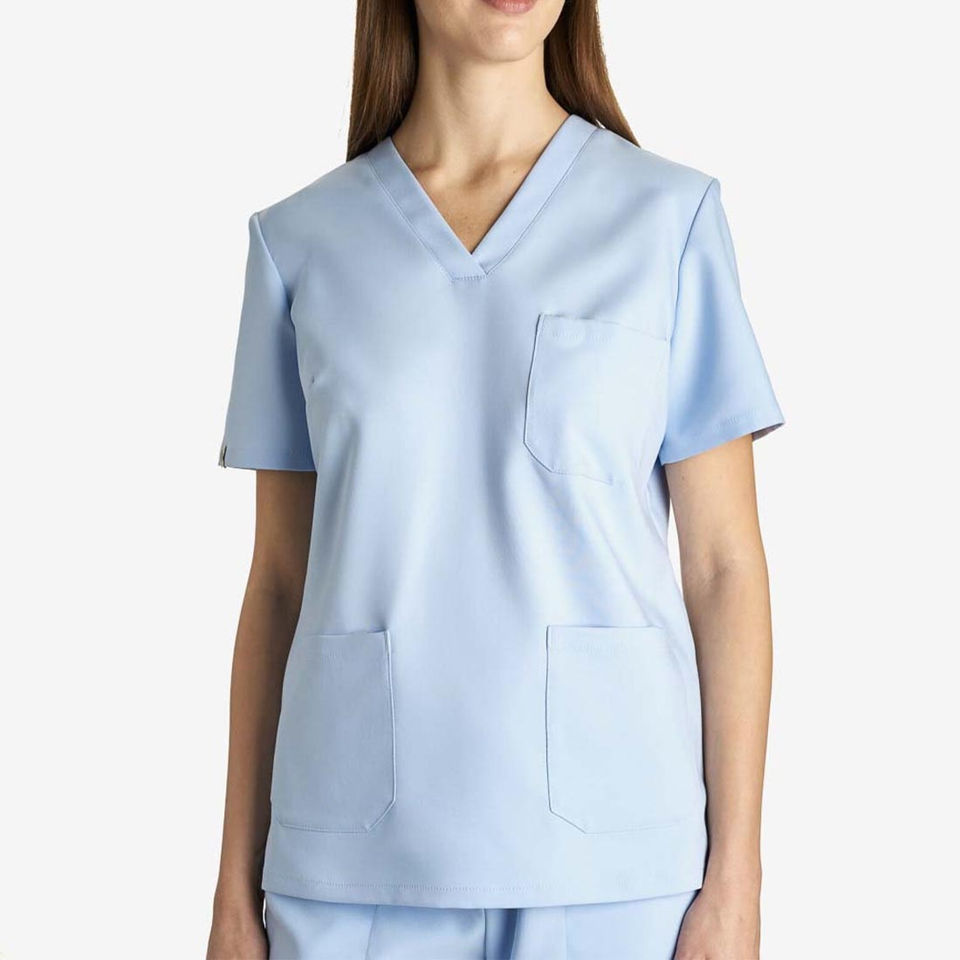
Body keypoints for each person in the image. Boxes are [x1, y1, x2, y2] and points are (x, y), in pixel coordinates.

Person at [207, 1, 784, 957]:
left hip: (614, 874)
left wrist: (738, 883)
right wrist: (234, 891)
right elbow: (277, 583)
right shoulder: (299, 243)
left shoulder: (667, 220)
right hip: (352, 871)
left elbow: (723, 567)